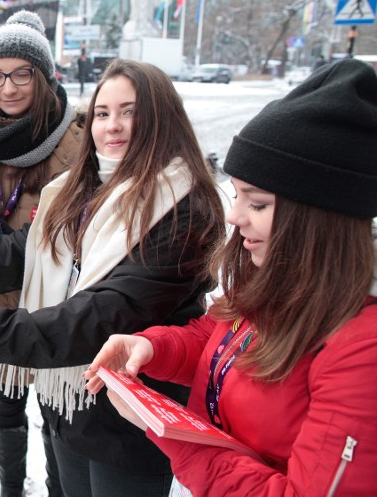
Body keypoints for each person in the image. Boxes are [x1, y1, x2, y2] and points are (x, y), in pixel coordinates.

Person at [0, 58, 225, 496]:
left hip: (126, 420)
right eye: (102, 113)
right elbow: (23, 249)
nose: (112, 126)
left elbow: (106, 313)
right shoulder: (79, 188)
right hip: (67, 400)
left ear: (162, 118)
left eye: (129, 111)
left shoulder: (182, 209)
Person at [84, 58, 377, 496]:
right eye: (237, 195)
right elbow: (217, 339)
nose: (235, 216)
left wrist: (172, 435)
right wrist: (151, 346)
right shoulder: (273, 277)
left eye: (257, 204)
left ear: (318, 217)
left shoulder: (362, 353)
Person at [0, 10, 84, 497]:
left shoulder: (76, 141)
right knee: (6, 403)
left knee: (56, 413)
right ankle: (11, 489)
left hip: (53, 302)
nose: (7, 88)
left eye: (21, 74)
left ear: (44, 77)